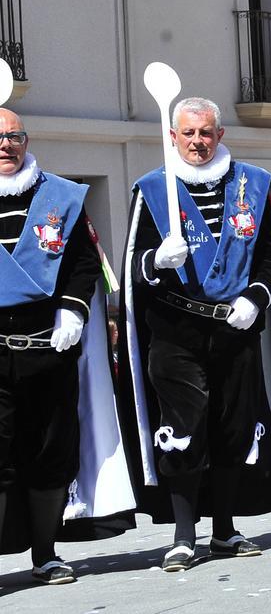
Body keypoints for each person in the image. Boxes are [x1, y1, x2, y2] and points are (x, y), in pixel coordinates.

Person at [119, 96, 271, 572]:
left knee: (232, 430)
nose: (197, 141)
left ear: (219, 135)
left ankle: (224, 530)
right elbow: (132, 266)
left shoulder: (253, 184)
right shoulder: (151, 190)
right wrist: (154, 261)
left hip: (234, 328)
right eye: (188, 133)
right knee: (184, 432)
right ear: (173, 137)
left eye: (205, 132)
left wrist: (256, 298)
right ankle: (184, 535)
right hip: (175, 331)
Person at [0, 108, 135, 584]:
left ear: (26, 140)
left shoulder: (59, 196)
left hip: (46, 348)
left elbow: (82, 262)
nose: (5, 145)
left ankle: (45, 554)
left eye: (13, 136)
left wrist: (73, 310)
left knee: (49, 452)